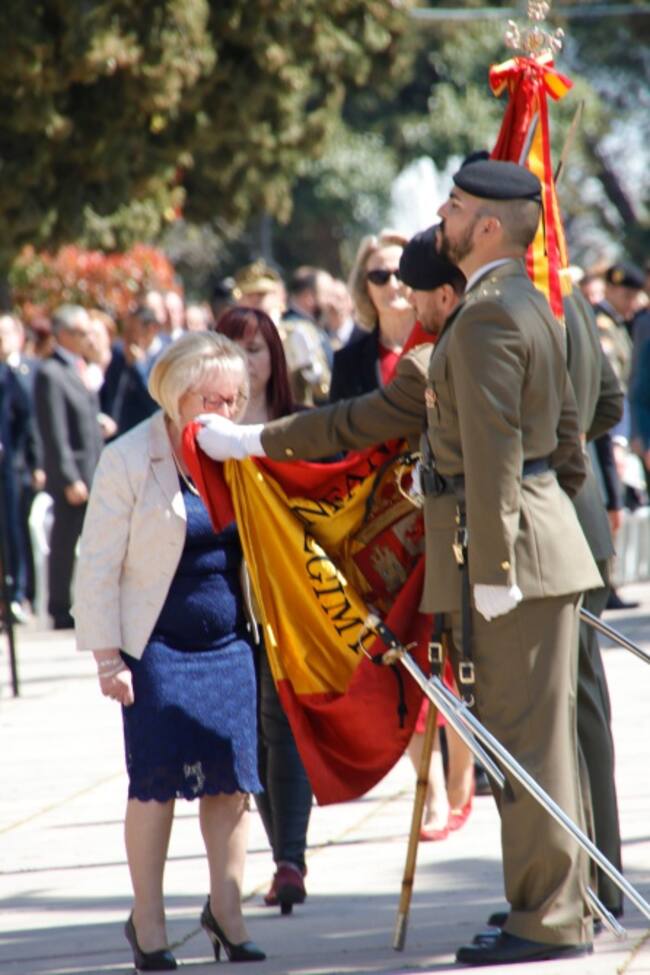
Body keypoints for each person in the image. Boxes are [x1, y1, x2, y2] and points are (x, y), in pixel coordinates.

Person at [195, 161, 604, 965]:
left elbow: (493, 453)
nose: (444, 216)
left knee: (526, 746)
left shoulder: (486, 316)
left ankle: (546, 918)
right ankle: (555, 902)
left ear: (487, 225)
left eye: (455, 206)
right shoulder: (525, 303)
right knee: (542, 744)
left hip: (510, 557)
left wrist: (492, 567)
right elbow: (565, 435)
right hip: (537, 544)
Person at [73, 332, 265, 970]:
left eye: (235, 399)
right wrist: (107, 657)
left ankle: (227, 912)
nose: (227, 411)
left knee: (232, 784)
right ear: (178, 393)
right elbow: (96, 563)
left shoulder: (238, 448)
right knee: (155, 782)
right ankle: (148, 923)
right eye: (214, 397)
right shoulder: (130, 457)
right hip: (154, 643)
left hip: (228, 643)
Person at [217, 306, 313, 914]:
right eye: (233, 349)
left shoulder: (297, 426)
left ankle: (289, 861)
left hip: (287, 599)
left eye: (256, 350)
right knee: (248, 734)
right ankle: (282, 856)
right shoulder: (194, 434)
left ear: (275, 358)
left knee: (283, 727)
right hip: (221, 601)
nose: (247, 362)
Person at [563, 287, 625, 921]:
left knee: (554, 717)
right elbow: (608, 400)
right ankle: (601, 878)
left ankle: (568, 885)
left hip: (545, 529)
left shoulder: (518, 295)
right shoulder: (572, 296)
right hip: (584, 523)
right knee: (586, 710)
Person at [33, 305, 104, 629]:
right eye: (80, 332)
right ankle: (59, 607)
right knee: (64, 541)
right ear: (63, 334)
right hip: (73, 477)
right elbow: (55, 432)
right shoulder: (51, 373)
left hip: (94, 469)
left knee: (96, 542)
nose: (87, 338)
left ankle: (89, 603)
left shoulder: (80, 367)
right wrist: (69, 478)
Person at [329, 230, 414, 402]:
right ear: (365, 287)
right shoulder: (347, 363)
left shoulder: (444, 345)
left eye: (401, 273)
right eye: (379, 276)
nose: (392, 285)